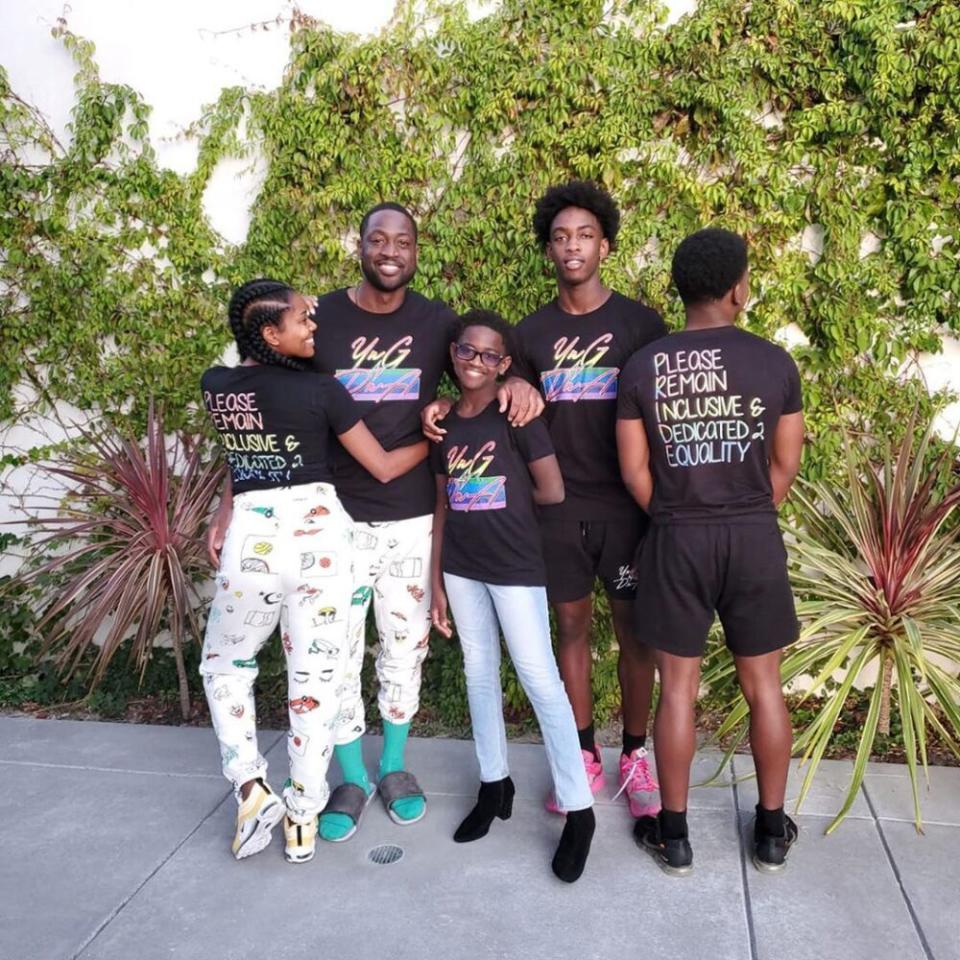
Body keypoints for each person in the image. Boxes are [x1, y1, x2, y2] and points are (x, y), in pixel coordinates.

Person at [207, 204, 542, 841]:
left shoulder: (438, 321)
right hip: (329, 520)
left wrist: (516, 383)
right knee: (333, 658)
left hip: (412, 517)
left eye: (403, 241)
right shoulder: (318, 319)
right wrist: (230, 504)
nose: (390, 251)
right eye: (378, 239)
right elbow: (261, 417)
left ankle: (393, 767)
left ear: (417, 251)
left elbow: (483, 366)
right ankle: (351, 777)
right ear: (358, 246)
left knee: (403, 645)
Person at [427, 182, 666, 816]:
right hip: (555, 513)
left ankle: (636, 757)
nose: (572, 246)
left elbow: (659, 421)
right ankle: (583, 754)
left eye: (584, 235)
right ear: (548, 251)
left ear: (605, 245)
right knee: (570, 630)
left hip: (625, 507)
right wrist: (449, 404)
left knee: (635, 634)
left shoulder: (642, 325)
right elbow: (485, 401)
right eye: (560, 237)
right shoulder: (528, 336)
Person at [200, 278, 428, 864]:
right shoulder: (324, 392)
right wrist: (435, 437)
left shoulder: (217, 387)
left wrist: (223, 514)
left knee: (226, 665)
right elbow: (379, 465)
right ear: (272, 334)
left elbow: (244, 456)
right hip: (321, 538)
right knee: (316, 678)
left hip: (253, 536)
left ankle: (251, 786)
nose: (314, 328)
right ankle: (304, 813)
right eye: (303, 320)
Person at [616, 228, 805, 875]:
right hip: (753, 535)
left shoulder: (644, 367)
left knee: (678, 693)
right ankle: (773, 832)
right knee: (765, 688)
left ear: (680, 289)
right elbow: (786, 463)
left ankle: (674, 837)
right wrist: (745, 512)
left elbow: (635, 471)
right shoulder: (775, 362)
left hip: (676, 537)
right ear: (738, 288)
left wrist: (678, 515)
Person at [429, 310, 596, 883]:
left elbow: (551, 489)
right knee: (479, 670)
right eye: (466, 352)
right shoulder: (444, 421)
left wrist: (507, 511)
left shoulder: (515, 414)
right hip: (461, 566)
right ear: (453, 353)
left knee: (539, 678)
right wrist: (436, 581)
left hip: (515, 565)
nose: (476, 362)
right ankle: (494, 782)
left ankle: (580, 810)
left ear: (504, 364)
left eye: (489, 356)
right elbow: (444, 501)